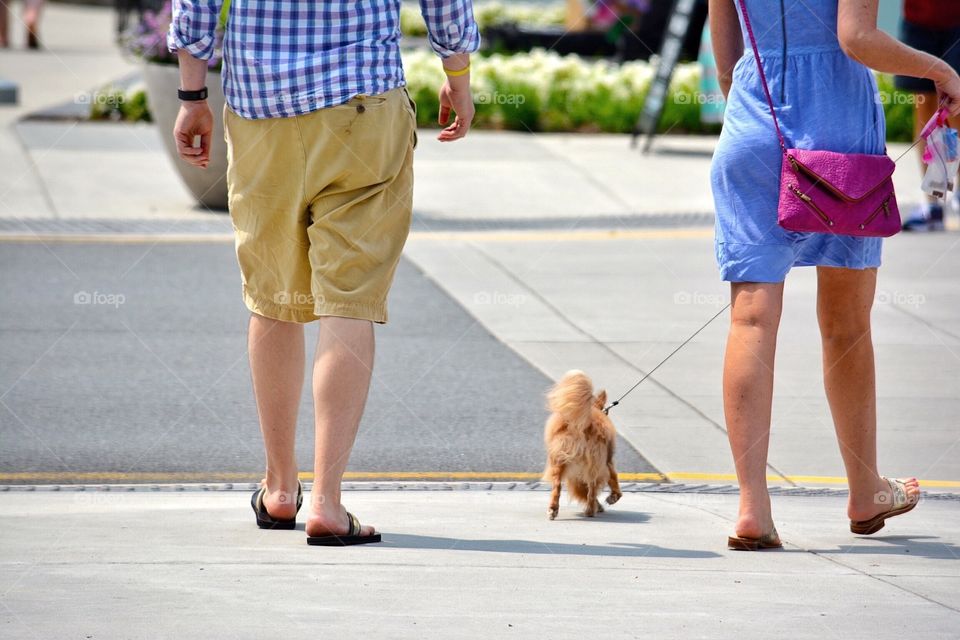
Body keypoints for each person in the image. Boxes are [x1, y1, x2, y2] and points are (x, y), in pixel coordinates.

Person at [168, 0, 478, 545]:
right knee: (349, 299)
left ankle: (280, 489)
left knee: (274, 296)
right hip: (364, 104)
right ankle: (329, 503)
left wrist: (192, 95)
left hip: (263, 109)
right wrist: (457, 73)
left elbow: (195, 4)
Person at [709, 0, 960, 550]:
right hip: (839, 132)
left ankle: (753, 507)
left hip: (755, 122)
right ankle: (865, 490)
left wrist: (756, 111)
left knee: (750, 319)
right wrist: (939, 69)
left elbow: (726, 58)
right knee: (846, 324)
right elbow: (857, 38)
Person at [895, 0, 960, 231]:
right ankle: (933, 203)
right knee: (925, 110)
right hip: (918, 20)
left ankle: (957, 193)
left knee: (958, 108)